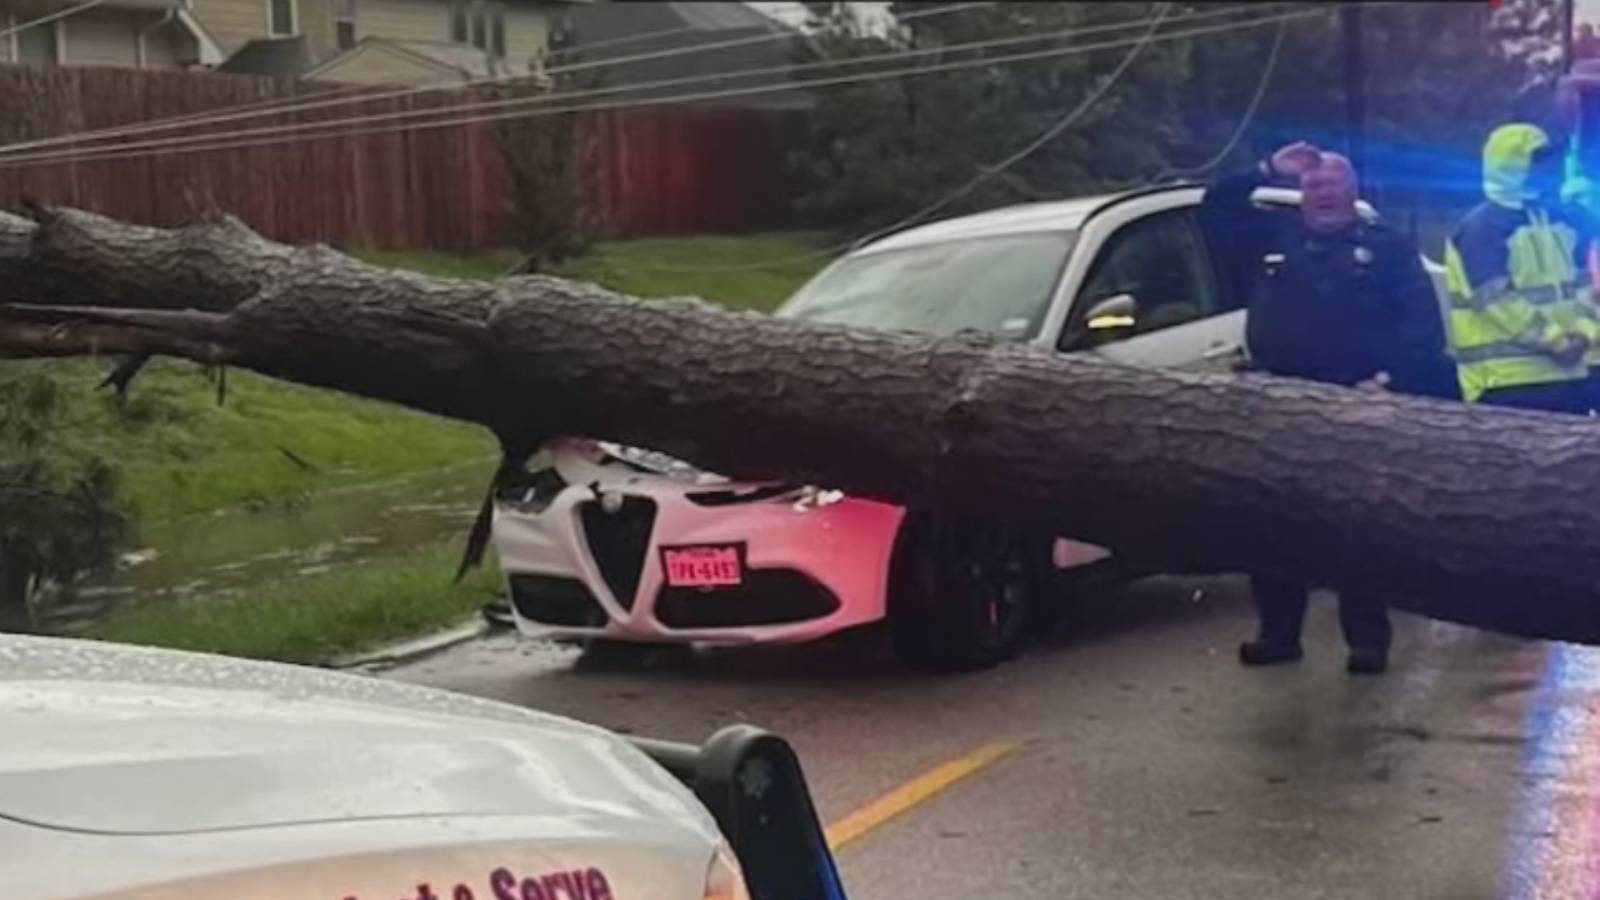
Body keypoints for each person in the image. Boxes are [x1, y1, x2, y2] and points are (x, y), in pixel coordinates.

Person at [1200, 141, 1459, 676]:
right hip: (1280, 399)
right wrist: (1266, 166)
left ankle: (1366, 640)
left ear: (1352, 192)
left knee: (1353, 527)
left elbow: (1421, 329)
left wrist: (1386, 381)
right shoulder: (1274, 237)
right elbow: (1215, 209)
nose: (1321, 194)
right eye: (1312, 185)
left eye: (1332, 184)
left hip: (1354, 401)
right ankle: (1278, 634)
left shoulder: (1386, 247)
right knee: (1275, 523)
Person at [1444, 123, 1596, 413]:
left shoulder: (1557, 220)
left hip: (1567, 373)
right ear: (1513, 169)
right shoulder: (1481, 228)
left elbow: (1587, 283)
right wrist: (1559, 341)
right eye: (1540, 162)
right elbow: (1496, 300)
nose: (1550, 170)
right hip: (1505, 382)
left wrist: (1583, 334)